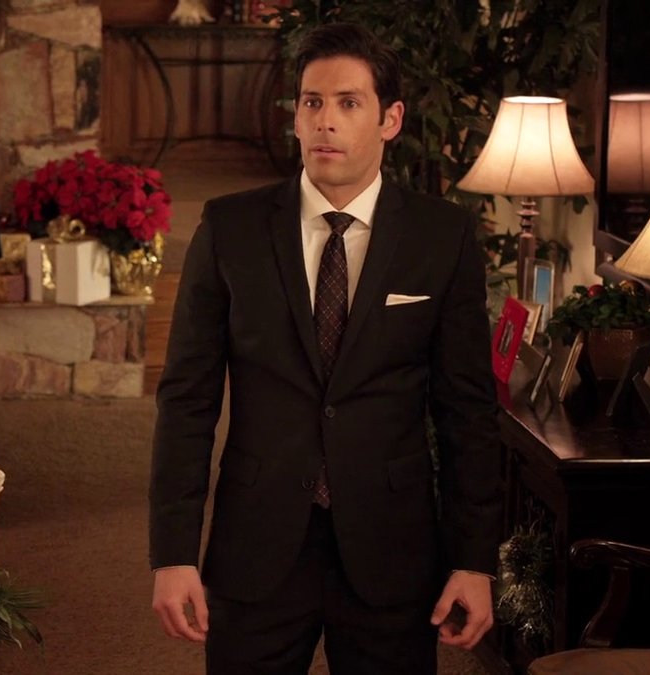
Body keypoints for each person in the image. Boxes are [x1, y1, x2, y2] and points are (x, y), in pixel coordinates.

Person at [149, 21, 502, 675]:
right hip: (256, 541)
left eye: (348, 102)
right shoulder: (229, 228)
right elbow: (186, 400)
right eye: (312, 102)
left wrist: (474, 560)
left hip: (391, 545)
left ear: (390, 119)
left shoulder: (442, 237)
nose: (325, 121)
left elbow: (467, 412)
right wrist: (172, 553)